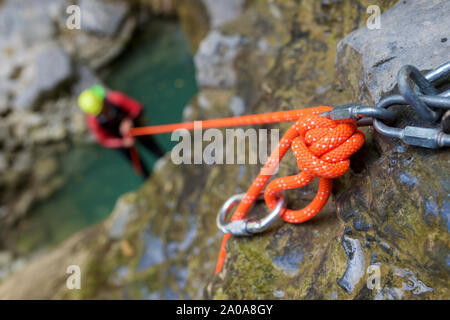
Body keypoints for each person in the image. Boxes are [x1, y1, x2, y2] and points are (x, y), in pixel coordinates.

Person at [78, 85, 164, 178]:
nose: (103, 114)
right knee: (137, 164)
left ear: (103, 100)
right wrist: (123, 142)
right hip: (118, 138)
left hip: (134, 125)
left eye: (102, 109)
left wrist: (129, 121)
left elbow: (137, 108)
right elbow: (104, 140)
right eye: (99, 113)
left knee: (152, 145)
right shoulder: (93, 121)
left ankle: (164, 158)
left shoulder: (115, 98)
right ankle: (149, 179)